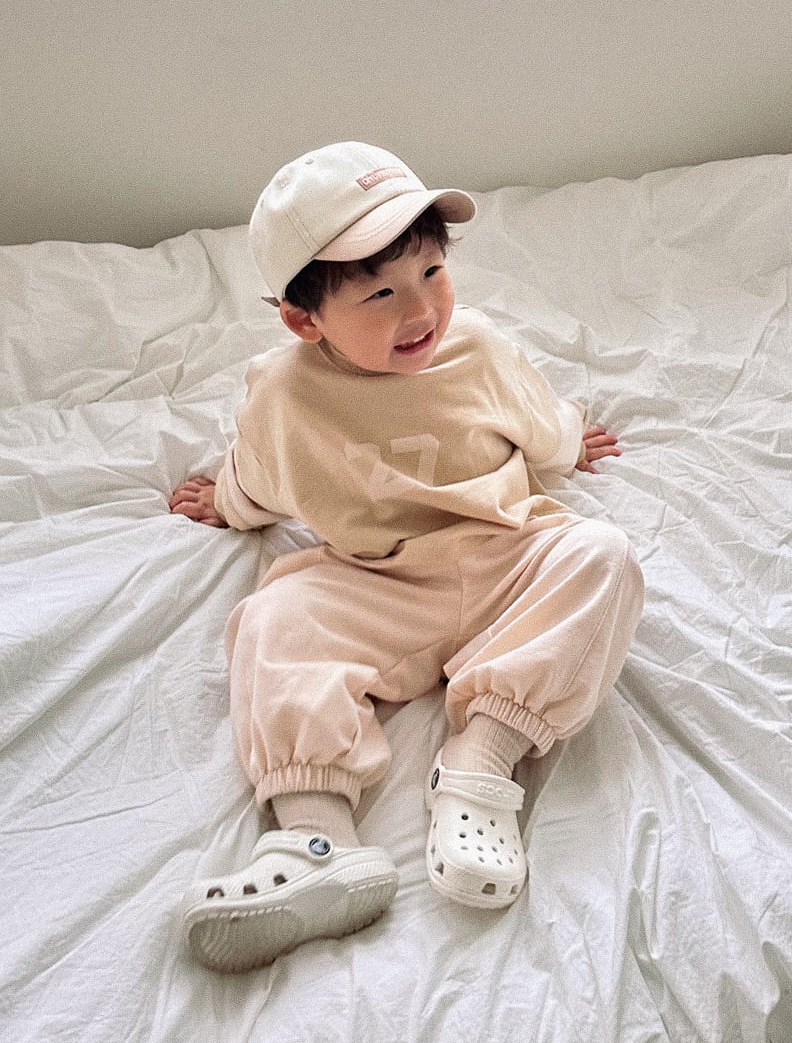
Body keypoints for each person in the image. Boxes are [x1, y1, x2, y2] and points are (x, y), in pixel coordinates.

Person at [170, 141, 645, 973]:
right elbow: (261, 475)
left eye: (432, 272)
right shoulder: (284, 392)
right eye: (381, 292)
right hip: (375, 578)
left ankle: (481, 759)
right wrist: (228, 503)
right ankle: (316, 841)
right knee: (274, 620)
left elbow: (538, 425)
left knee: (601, 557)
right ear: (305, 320)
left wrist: (569, 441)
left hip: (505, 553)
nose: (421, 308)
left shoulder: (479, 349)